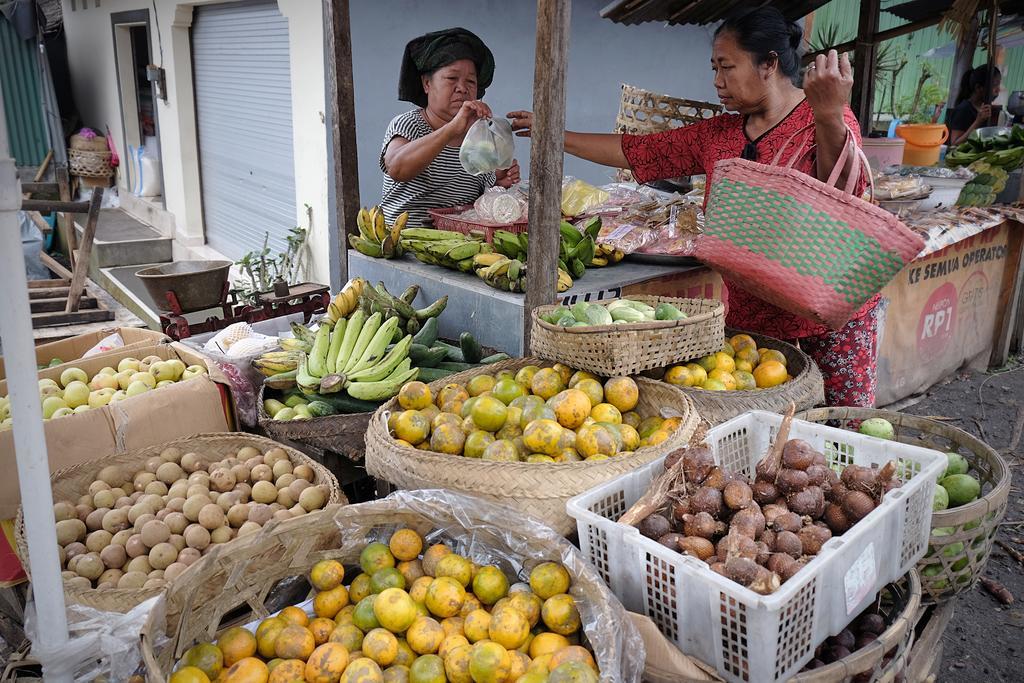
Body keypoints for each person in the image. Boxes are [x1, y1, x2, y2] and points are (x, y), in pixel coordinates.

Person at [509, 7, 877, 407]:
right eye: (714, 68)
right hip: (753, 319)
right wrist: (555, 133)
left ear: (769, 63)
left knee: (838, 430)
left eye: (727, 67)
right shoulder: (717, 134)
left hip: (828, 321)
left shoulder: (822, 120)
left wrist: (828, 113)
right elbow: (636, 151)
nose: (717, 81)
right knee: (764, 434)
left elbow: (843, 191)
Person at [380, 27, 520, 227]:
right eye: (452, 78)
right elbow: (396, 168)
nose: (462, 88)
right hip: (405, 246)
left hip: (459, 246)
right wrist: (451, 129)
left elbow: (476, 202)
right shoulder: (409, 124)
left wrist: (499, 184)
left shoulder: (480, 136)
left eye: (471, 81)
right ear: (427, 83)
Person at [948, 66, 1002, 146]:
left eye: (999, 85)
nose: (998, 90)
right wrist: (978, 121)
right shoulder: (963, 109)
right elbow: (955, 143)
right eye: (995, 85)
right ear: (978, 88)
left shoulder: (984, 109)